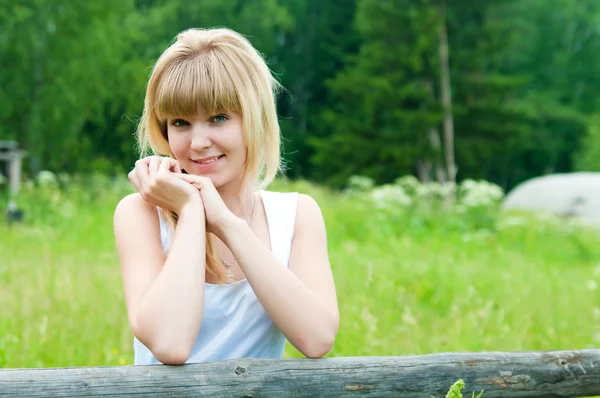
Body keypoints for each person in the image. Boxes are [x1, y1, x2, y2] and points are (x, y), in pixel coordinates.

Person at [113, 27, 339, 366]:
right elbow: (169, 343)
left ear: (255, 118)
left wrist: (225, 223)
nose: (198, 142)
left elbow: (318, 337)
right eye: (180, 122)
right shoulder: (141, 214)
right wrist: (190, 210)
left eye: (218, 118)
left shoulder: (295, 215)